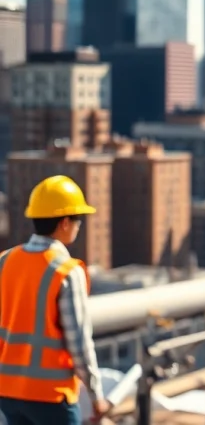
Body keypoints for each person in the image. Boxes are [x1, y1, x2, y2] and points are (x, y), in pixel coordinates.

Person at [0, 175, 111, 425]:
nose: (79, 225)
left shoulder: (5, 261)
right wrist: (96, 396)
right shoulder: (65, 271)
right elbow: (79, 343)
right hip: (50, 398)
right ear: (64, 223)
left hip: (7, 393)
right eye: (78, 219)